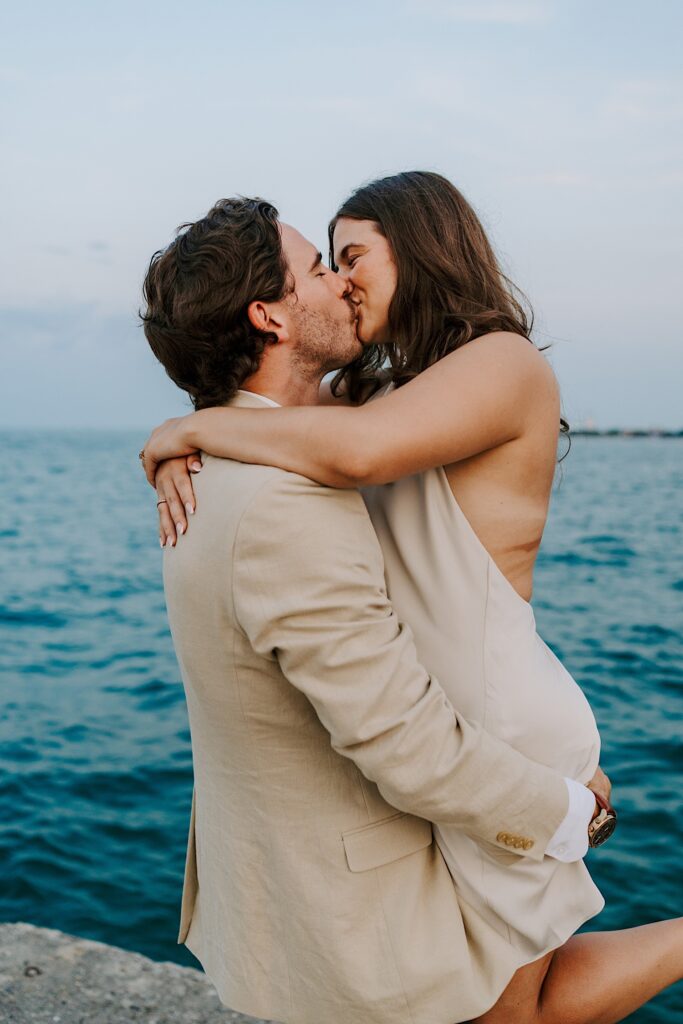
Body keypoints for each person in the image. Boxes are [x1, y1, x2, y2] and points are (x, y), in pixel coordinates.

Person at [141, 179, 683, 1024]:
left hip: (498, 715)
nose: (342, 280)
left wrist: (189, 429)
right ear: (270, 313)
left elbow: (354, 453)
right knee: (500, 1002)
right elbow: (305, 427)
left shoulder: (498, 363)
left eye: (350, 257)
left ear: (423, 247)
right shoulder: (371, 397)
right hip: (450, 717)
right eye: (324, 264)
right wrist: (185, 432)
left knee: (512, 1010)